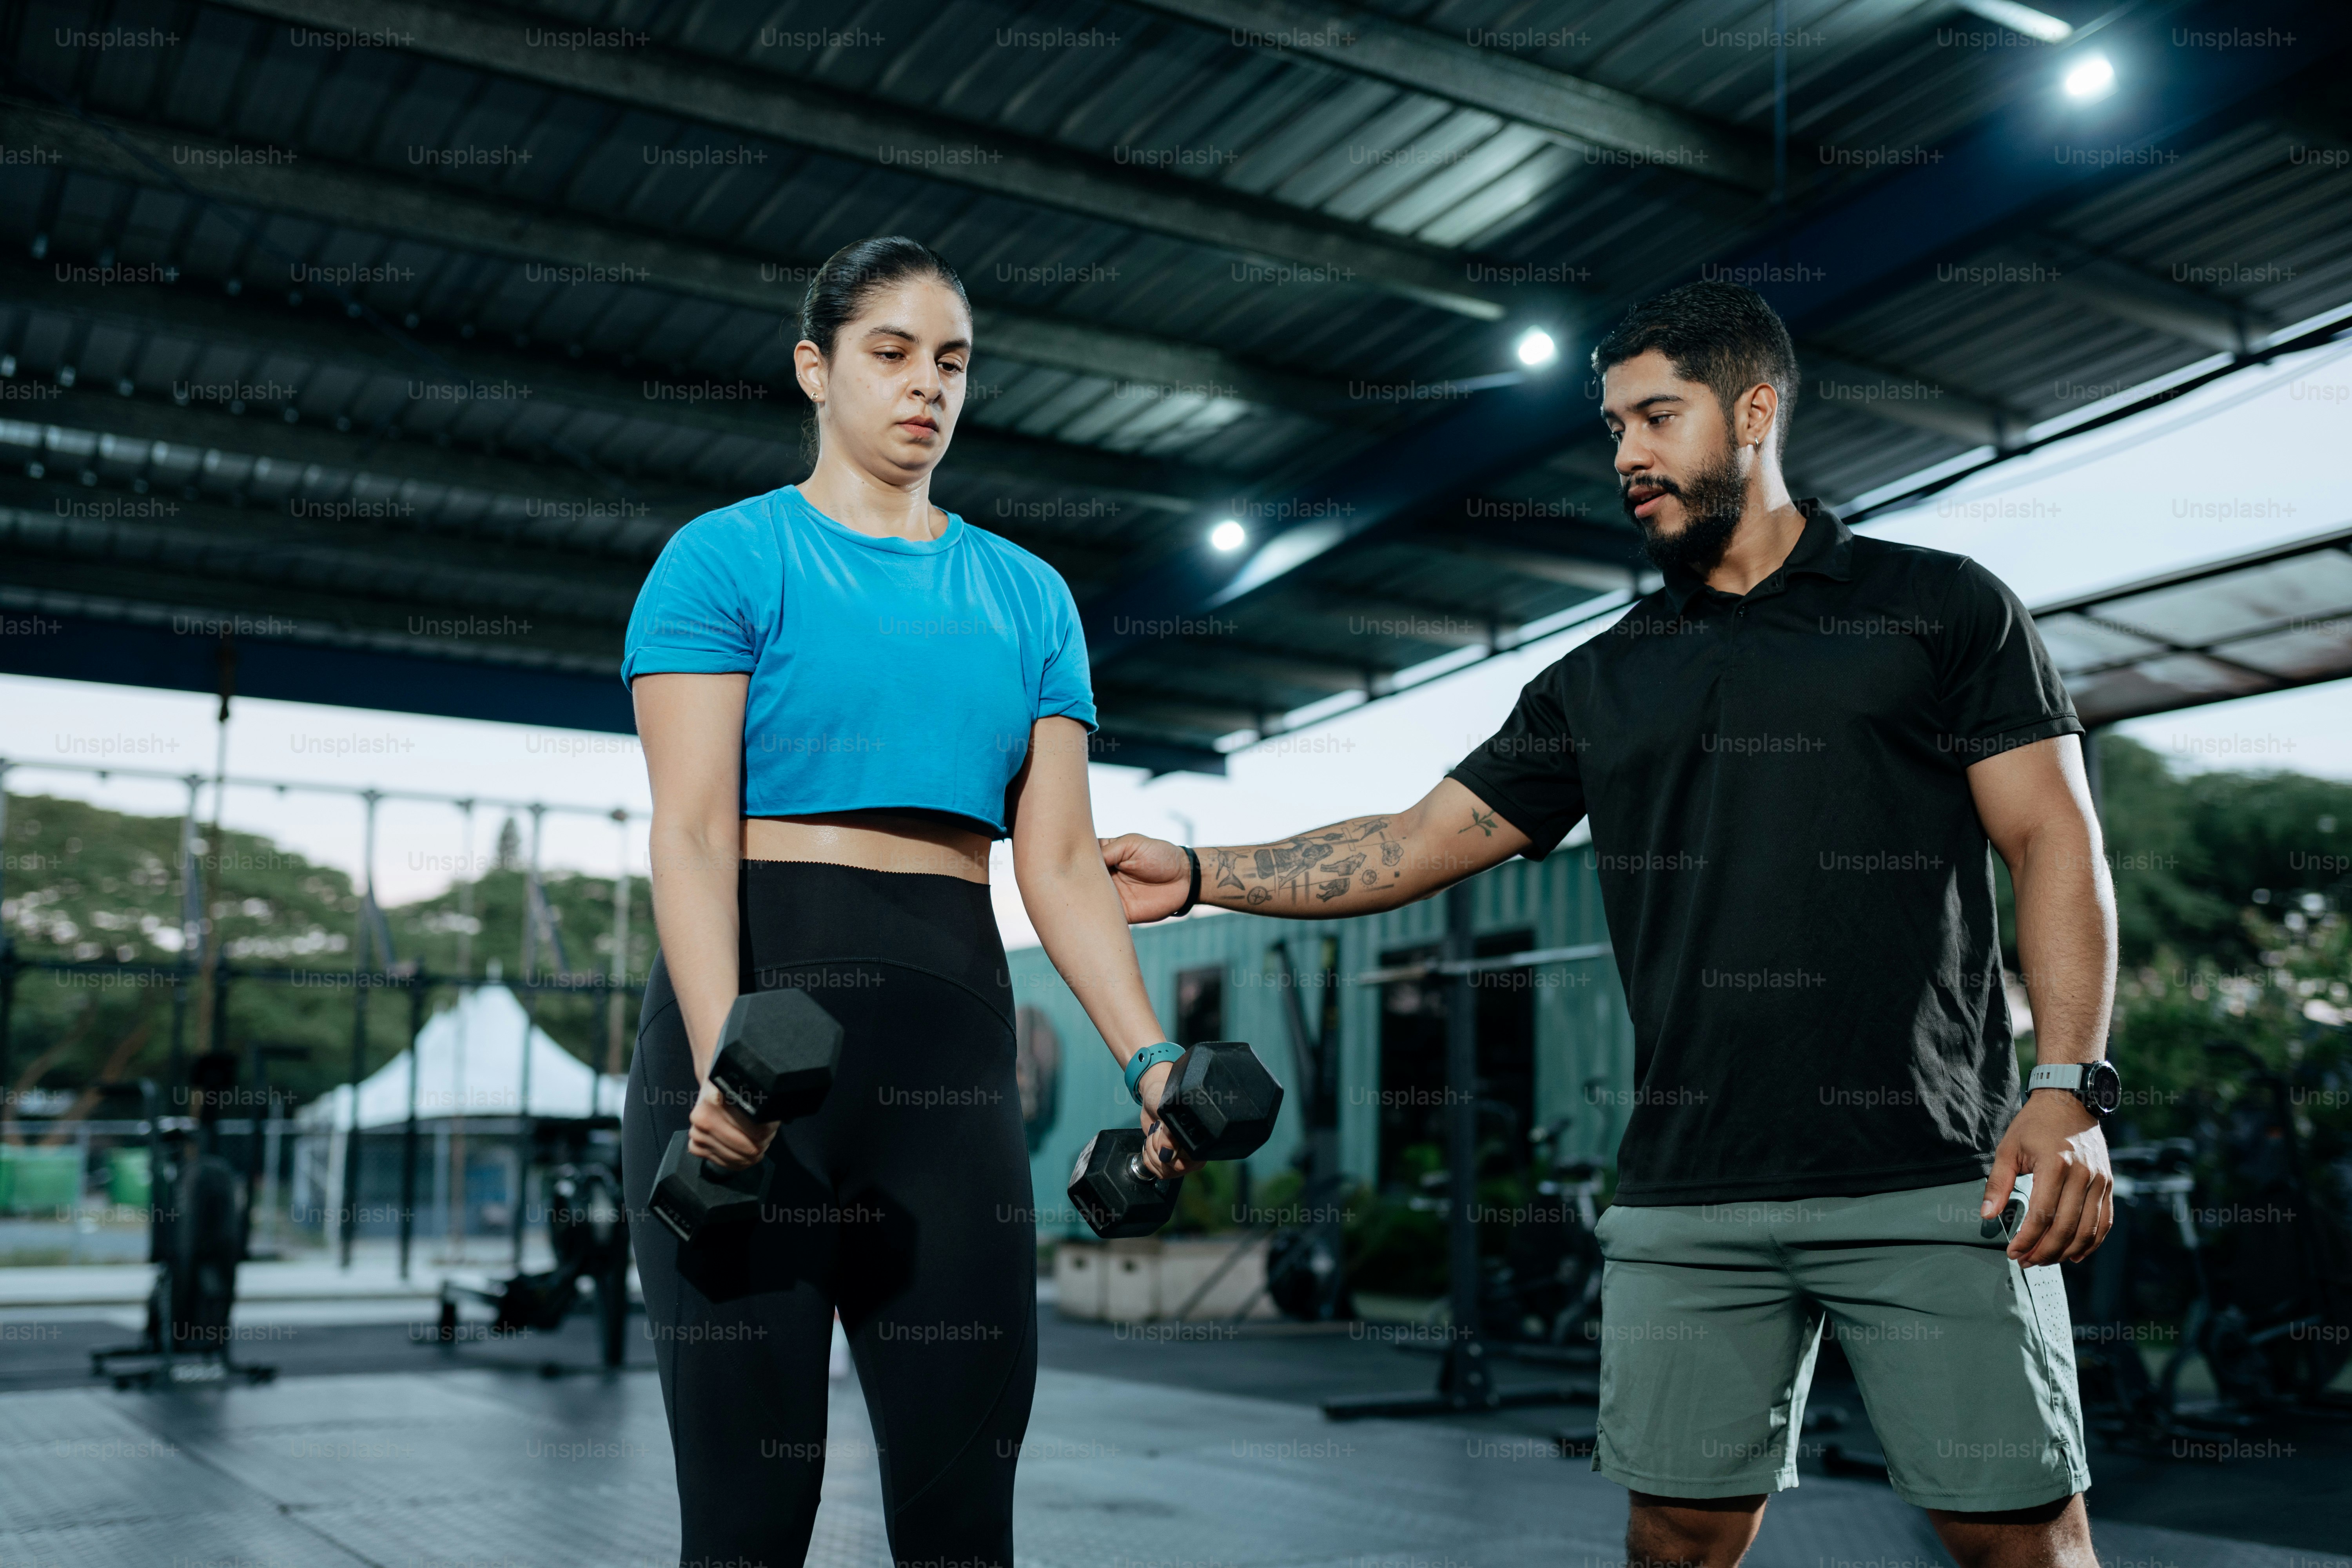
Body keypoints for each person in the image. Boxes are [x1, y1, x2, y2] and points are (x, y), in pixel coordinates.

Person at [1101, 281, 2119, 1568]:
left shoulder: (1941, 609)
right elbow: (1415, 843)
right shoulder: (1599, 679)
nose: (1627, 455)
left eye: (1657, 416)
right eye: (1614, 427)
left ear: (1755, 411)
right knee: (1674, 1540)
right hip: (1691, 1193)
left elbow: (2054, 840)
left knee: (2022, 1545)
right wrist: (1198, 871)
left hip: (1932, 1176)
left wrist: (2069, 1086)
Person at [619, 236, 1193, 1568]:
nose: (928, 383)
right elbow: (692, 832)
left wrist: (1152, 1063)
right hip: (749, 1061)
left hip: (949, 1078)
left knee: (962, 1526)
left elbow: (1061, 864)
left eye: (953, 361)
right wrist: (725, 1064)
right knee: (748, 1526)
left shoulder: (1030, 597)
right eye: (891, 353)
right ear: (815, 369)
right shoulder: (724, 561)